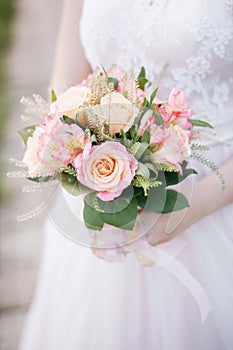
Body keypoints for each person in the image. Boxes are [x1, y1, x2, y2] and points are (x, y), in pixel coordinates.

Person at [19, 0, 233, 349]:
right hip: (103, 198)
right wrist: (78, 162)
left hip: (216, 192)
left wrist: (189, 208)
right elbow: (67, 80)